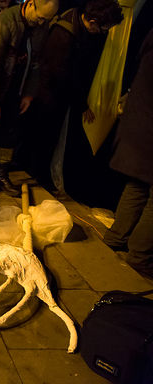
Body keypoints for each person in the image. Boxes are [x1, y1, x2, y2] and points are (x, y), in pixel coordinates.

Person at [30, 0, 123, 191]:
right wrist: (82, 104)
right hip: (49, 96)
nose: (104, 33)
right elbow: (63, 76)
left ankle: (39, 174)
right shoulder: (65, 36)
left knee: (46, 137)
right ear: (93, 21)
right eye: (104, 28)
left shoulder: (75, 19)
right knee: (45, 138)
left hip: (57, 93)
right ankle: (38, 176)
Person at [0, 0, 59, 199]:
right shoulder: (2, 22)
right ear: (30, 5)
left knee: (10, 129)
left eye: (46, 19)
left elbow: (36, 61)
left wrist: (29, 93)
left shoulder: (40, 26)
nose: (42, 22)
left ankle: (2, 176)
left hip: (16, 84)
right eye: (40, 17)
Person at [103, 28, 153, 280]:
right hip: (149, 131)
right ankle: (140, 256)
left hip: (138, 128)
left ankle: (116, 237)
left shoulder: (149, 41)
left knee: (138, 185)